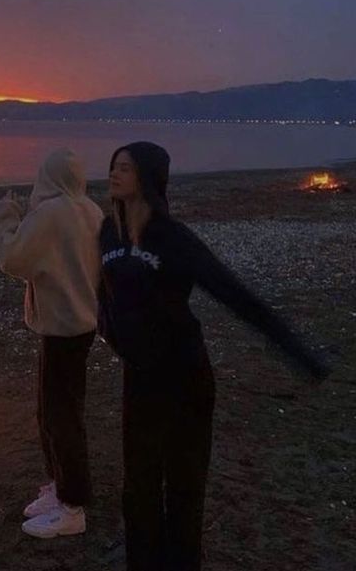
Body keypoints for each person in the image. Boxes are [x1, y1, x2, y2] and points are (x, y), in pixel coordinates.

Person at [97, 142, 329, 571]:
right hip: (139, 381)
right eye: (113, 166)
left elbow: (234, 294)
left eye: (125, 168)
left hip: (186, 377)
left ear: (148, 178)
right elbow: (103, 294)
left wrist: (298, 351)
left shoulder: (174, 238)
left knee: (183, 487)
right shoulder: (106, 232)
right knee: (139, 487)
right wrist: (112, 335)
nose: (114, 174)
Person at [0, 147, 104, 539]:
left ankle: (72, 506)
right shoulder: (91, 210)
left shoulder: (52, 213)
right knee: (56, 411)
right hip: (82, 325)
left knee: (60, 417)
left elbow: (14, 258)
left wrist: (5, 216)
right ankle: (60, 487)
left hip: (62, 328)